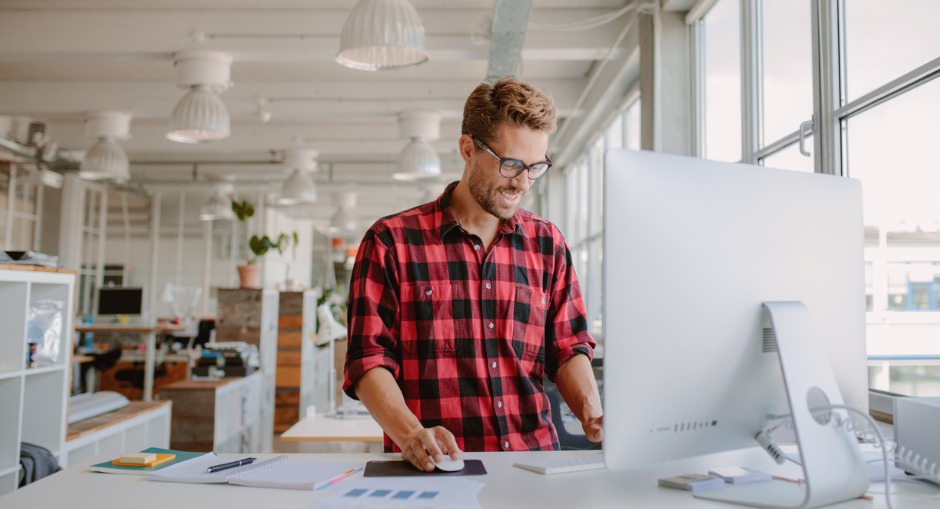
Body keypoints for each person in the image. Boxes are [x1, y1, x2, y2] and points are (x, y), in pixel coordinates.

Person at [343, 77, 603, 472]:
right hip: (437, 470)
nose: (522, 182)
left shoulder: (548, 244)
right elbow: (368, 359)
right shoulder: (391, 242)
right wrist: (412, 434)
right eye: (511, 163)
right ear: (468, 149)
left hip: (534, 466)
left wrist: (593, 415)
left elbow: (568, 347)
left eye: (536, 167)